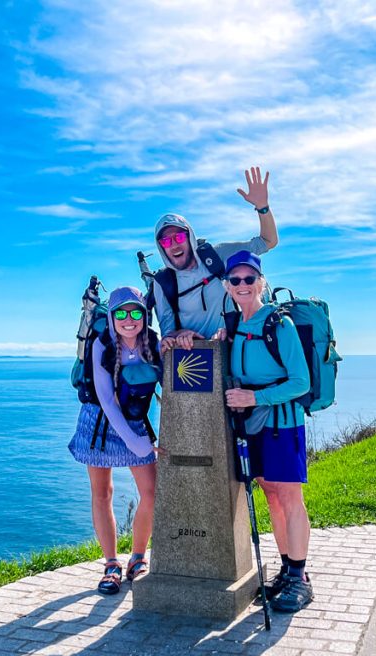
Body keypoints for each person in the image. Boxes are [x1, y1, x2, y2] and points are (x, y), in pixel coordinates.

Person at [215, 251, 312, 613]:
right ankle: (287, 569)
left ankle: (301, 578)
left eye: (249, 279)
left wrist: (254, 397)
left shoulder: (279, 324)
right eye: (235, 280)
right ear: (226, 286)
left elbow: (300, 382)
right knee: (271, 495)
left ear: (261, 283)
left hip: (283, 425)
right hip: (253, 427)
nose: (243, 285)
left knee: (289, 498)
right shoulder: (234, 326)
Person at [68, 287, 160, 594]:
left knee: (152, 491)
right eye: (121, 313)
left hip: (134, 422)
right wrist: (139, 445)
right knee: (103, 492)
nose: (129, 319)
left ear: (144, 316)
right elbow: (107, 400)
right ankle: (110, 564)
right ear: (111, 316)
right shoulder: (102, 343)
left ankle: (137, 557)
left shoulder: (153, 343)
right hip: (98, 424)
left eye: (136, 312)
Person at [153, 167, 278, 354]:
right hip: (196, 361)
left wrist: (262, 207)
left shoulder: (217, 256)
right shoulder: (163, 282)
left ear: (190, 237)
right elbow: (167, 336)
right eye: (165, 241)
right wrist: (183, 333)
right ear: (161, 247)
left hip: (238, 352)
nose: (174, 245)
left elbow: (268, 241)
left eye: (179, 237)